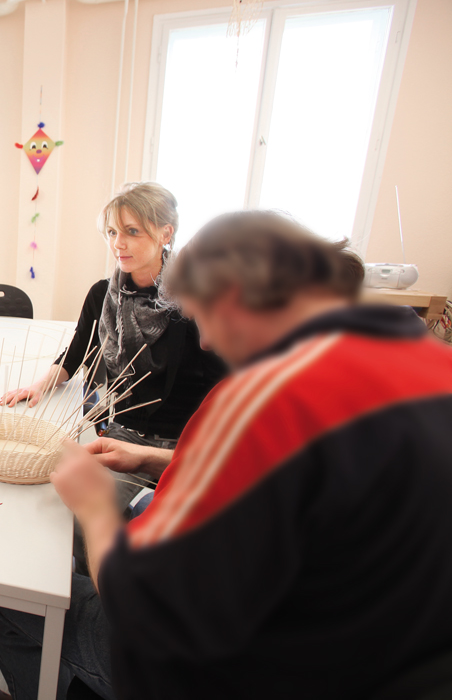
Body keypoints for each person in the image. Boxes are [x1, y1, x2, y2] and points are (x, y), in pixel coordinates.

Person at [45, 211, 452, 699]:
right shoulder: (421, 352)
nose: (207, 342)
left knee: (30, 596)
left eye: (203, 318)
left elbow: (148, 606)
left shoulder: (264, 399)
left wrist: (91, 506)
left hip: (262, 669)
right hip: (392, 647)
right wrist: (153, 458)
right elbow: (306, 484)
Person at [2, 182, 226, 509]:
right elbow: (77, 352)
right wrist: (40, 385)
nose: (118, 244)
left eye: (132, 231)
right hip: (125, 431)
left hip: (182, 441)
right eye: (111, 232)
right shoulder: (103, 295)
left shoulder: (189, 301)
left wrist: (195, 453)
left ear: (166, 234)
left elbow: (221, 386)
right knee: (61, 509)